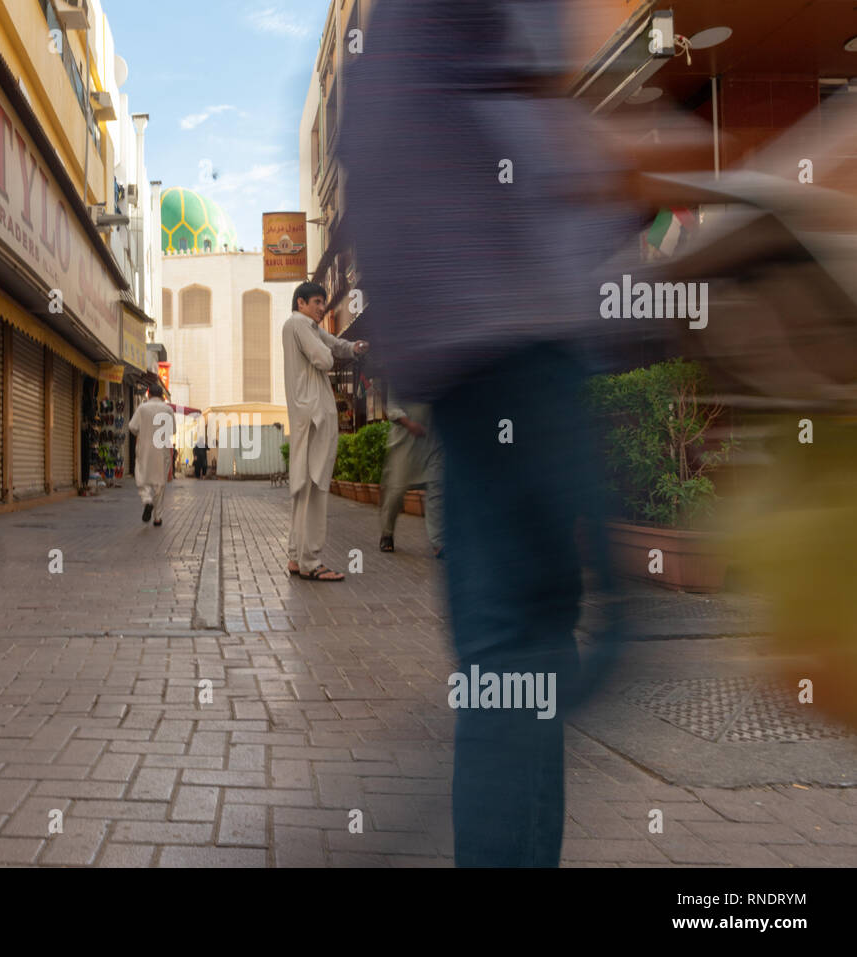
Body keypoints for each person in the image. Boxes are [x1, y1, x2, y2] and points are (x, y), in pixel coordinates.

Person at [339, 0, 632, 866]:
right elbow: (539, 94)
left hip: (465, 367)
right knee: (534, 659)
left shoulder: (381, 42)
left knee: (513, 661)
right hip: (522, 345)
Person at [282, 281, 369, 581]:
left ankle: (297, 557)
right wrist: (334, 354)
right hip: (315, 418)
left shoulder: (305, 327)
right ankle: (311, 562)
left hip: (309, 418)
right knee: (316, 487)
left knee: (304, 489)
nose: (322, 308)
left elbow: (333, 343)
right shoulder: (299, 324)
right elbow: (325, 356)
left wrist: (352, 348)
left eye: (323, 302)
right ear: (301, 303)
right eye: (317, 302)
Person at [379, 397, 444, 557]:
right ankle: (387, 533)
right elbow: (392, 406)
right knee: (396, 491)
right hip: (405, 440)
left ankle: (438, 542)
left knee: (436, 488)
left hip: (432, 440)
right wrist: (409, 423)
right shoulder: (403, 374)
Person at [128, 382, 174, 526]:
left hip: (145, 449)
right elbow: (172, 430)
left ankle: (147, 500)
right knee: (160, 484)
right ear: (161, 396)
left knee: (142, 477)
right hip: (162, 451)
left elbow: (132, 427)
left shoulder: (142, 408)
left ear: (148, 394)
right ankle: (157, 518)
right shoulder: (168, 410)